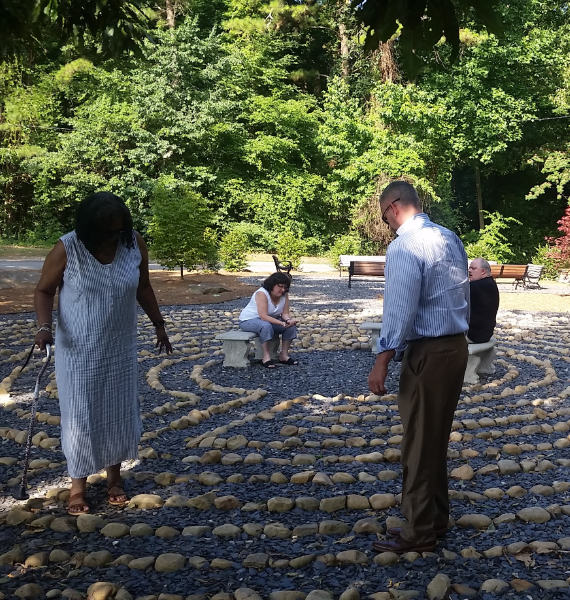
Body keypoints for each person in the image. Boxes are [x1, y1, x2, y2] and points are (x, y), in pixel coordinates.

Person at [34, 191, 172, 515]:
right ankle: (78, 486)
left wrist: (159, 325)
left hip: (119, 347)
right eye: (108, 231)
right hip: (78, 350)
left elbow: (143, 287)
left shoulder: (133, 243)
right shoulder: (67, 248)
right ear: (90, 228)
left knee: (117, 411)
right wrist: (43, 327)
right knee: (80, 414)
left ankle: (114, 478)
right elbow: (43, 290)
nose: (115, 236)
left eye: (119, 230)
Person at [368, 181, 470, 554]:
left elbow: (399, 308)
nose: (386, 226)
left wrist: (382, 360)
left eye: (383, 219)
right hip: (456, 348)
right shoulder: (449, 237)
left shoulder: (404, 245)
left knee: (418, 444)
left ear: (394, 207)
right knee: (435, 439)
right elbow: (463, 291)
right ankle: (435, 519)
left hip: (428, 353)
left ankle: (418, 533)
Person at [239, 272, 299, 368]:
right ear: (272, 284)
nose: (283, 290)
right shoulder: (262, 293)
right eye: (280, 286)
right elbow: (263, 316)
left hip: (270, 320)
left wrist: (288, 321)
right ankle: (266, 357)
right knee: (266, 326)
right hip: (249, 320)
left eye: (285, 287)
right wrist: (281, 323)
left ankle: (284, 355)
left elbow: (285, 313)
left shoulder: (284, 295)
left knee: (290, 327)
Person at [467, 258, 499, 343]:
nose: (469, 271)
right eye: (469, 268)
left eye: (473, 268)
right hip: (485, 334)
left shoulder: (475, 286)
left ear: (483, 271)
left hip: (473, 335)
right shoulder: (491, 283)